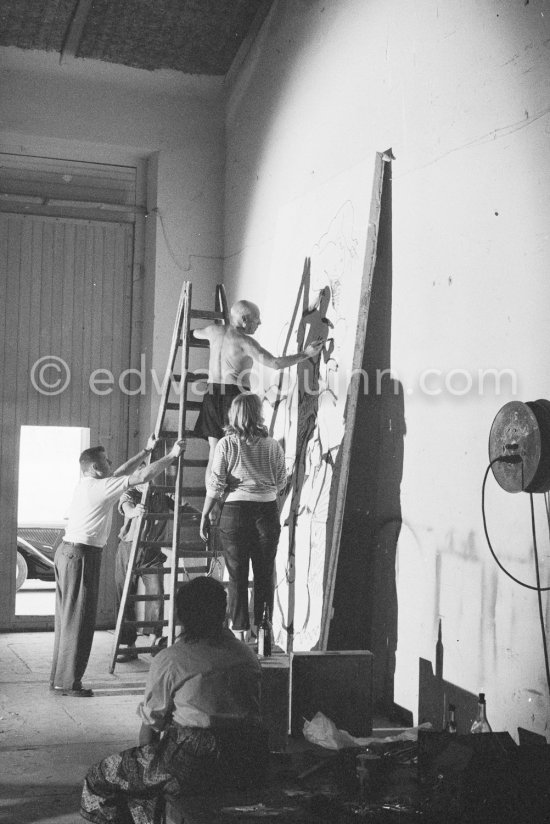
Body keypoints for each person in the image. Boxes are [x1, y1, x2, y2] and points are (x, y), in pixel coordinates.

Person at [80, 576, 268, 824]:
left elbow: (149, 730)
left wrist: (147, 765)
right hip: (247, 761)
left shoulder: (171, 659)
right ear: (224, 613)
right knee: (153, 775)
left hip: (194, 766)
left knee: (100, 777)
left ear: (182, 616)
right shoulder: (246, 655)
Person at [50, 436, 185, 697]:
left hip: (69, 553)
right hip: (80, 555)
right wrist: (171, 456)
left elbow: (123, 471)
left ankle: (59, 679)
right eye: (105, 461)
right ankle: (69, 683)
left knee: (68, 619)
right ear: (93, 467)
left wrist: (145, 450)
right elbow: (139, 477)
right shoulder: (100, 487)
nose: (111, 463)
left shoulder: (90, 483)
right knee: (79, 620)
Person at [193, 299, 323, 483]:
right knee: (236, 451)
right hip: (234, 398)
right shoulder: (245, 342)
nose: (259, 323)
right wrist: (306, 354)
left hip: (211, 394)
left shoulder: (213, 331)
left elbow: (192, 334)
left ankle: (211, 507)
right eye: (256, 319)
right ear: (244, 319)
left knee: (215, 451)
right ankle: (229, 502)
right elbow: (275, 363)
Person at [200, 393, 286, 640]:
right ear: (258, 414)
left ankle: (240, 634)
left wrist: (206, 513)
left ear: (234, 414)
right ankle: (263, 632)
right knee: (264, 573)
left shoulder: (227, 444)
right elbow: (281, 482)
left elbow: (215, 484)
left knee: (237, 576)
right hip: (267, 512)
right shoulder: (273, 445)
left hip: (235, 512)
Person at [114, 482, 174, 662]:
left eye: (151, 478)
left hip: (153, 551)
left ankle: (155, 640)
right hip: (129, 548)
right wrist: (133, 511)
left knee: (156, 595)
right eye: (143, 478)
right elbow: (127, 506)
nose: (147, 482)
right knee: (125, 595)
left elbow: (182, 506)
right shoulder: (130, 493)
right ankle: (128, 644)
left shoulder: (162, 495)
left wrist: (205, 515)